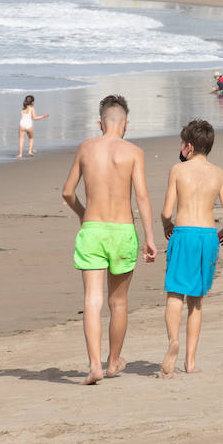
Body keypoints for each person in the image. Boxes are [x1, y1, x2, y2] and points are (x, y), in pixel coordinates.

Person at [60, 95, 157, 385]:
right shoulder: (133, 152)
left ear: (100, 123)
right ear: (125, 124)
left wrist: (81, 213)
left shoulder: (86, 148)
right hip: (123, 230)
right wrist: (150, 237)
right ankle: (113, 361)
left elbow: (67, 192)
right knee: (119, 302)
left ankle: (93, 366)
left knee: (93, 299)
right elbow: (141, 196)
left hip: (92, 229)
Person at [159, 119, 223, 377]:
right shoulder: (219, 173)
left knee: (174, 294)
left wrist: (166, 226)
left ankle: (173, 342)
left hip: (184, 233)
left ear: (188, 147)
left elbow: (167, 211)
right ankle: (190, 362)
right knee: (196, 302)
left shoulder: (178, 171)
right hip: (207, 235)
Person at [17, 94, 48, 159]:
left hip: (22, 124)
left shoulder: (23, 109)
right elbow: (35, 118)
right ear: (32, 102)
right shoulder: (32, 109)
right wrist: (43, 116)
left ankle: (20, 154)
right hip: (29, 125)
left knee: (21, 139)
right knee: (31, 138)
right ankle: (30, 151)